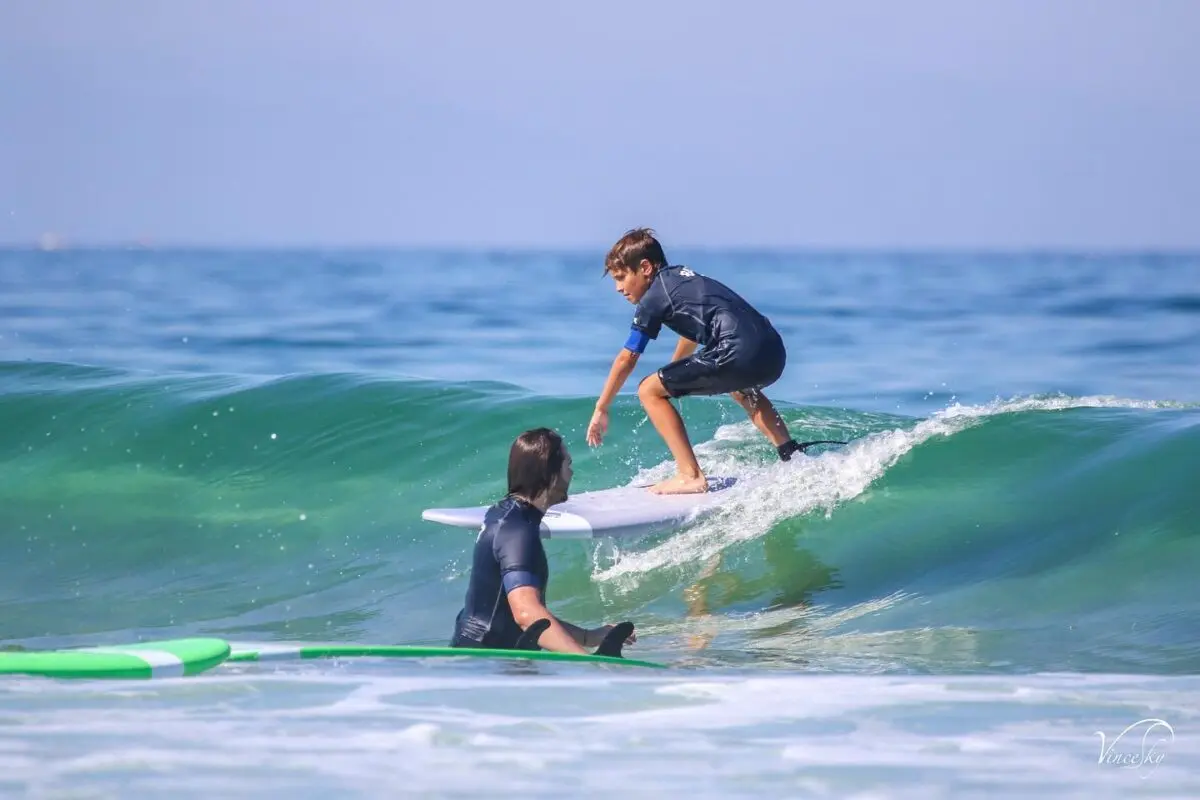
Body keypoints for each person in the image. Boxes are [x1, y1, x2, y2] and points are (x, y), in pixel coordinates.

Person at [586, 227, 805, 495]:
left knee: (648, 390)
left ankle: (690, 475)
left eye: (621, 278)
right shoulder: (681, 279)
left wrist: (602, 407)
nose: (618, 288)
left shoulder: (654, 298)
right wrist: (674, 376)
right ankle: (790, 454)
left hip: (738, 351)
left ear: (645, 267)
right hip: (772, 351)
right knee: (740, 388)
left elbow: (627, 358)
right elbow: (690, 336)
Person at [450, 427, 636, 654]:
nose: (572, 472)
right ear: (551, 473)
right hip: (487, 662)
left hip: (485, 655)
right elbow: (526, 613)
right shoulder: (517, 530)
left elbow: (521, 617)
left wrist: (588, 636)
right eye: (567, 464)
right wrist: (589, 662)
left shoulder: (508, 516)